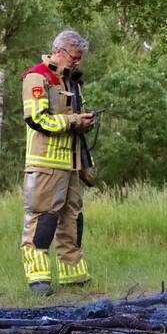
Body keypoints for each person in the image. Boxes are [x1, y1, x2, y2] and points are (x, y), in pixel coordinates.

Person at [20, 31, 96, 296]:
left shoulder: (71, 81)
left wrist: (85, 122)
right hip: (45, 165)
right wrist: (74, 121)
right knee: (42, 222)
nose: (77, 63)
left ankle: (74, 278)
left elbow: (69, 119)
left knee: (72, 221)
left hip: (71, 165)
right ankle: (38, 280)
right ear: (60, 51)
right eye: (75, 57)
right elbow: (37, 119)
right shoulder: (37, 76)